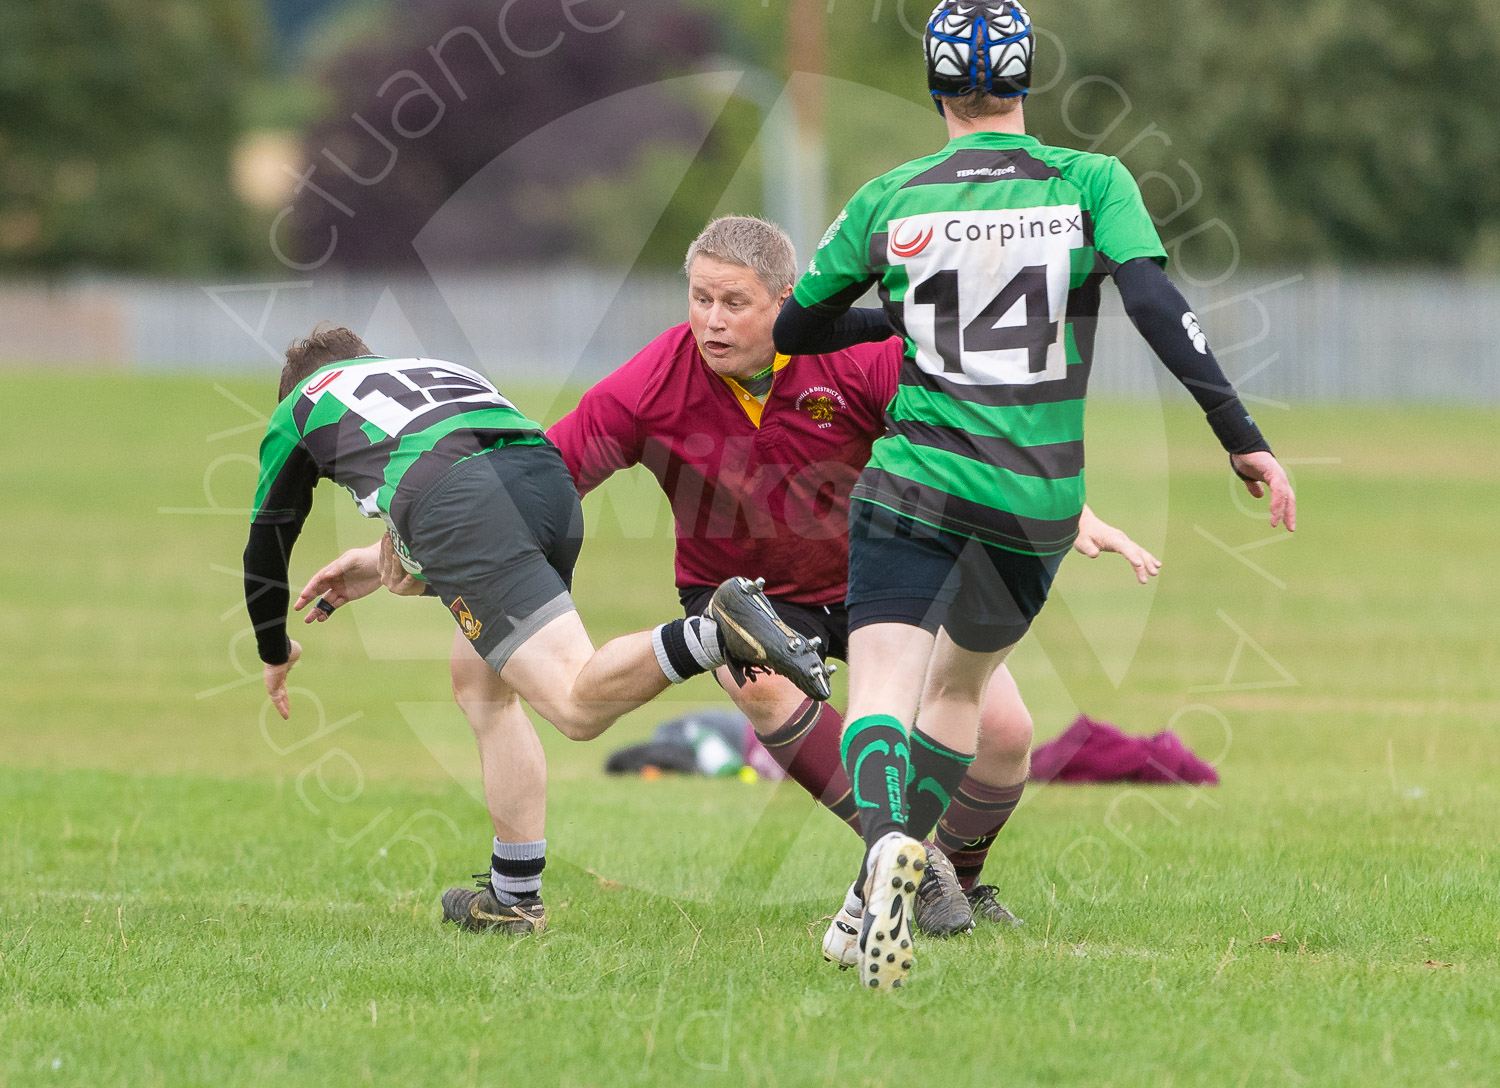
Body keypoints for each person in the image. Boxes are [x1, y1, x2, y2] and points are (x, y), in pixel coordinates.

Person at [301, 217, 1159, 943]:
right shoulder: (652, 382)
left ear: (785, 303)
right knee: (757, 689)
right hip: (746, 595)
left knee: (1006, 735)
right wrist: (395, 564)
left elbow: (973, 425)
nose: (712, 321)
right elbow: (541, 479)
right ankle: (910, 855)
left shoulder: (858, 360)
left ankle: (960, 881)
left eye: (735, 303)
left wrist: (1069, 510)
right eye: (700, 298)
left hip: (881, 573)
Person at [773, 0, 1297, 991]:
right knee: (962, 691)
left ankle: (881, 848)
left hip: (917, 480)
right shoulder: (1093, 181)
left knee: (883, 686)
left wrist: (894, 324)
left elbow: (797, 331)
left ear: (936, 89)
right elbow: (1155, 303)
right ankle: (862, 903)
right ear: (1025, 81)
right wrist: (1241, 439)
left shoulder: (891, 197)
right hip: (1038, 500)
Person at [243, 325, 831, 933]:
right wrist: (389, 555)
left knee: (575, 705)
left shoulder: (300, 405)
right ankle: (513, 896)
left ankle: (714, 632)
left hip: (462, 503)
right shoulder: (421, 367)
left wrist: (273, 647)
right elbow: (449, 457)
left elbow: (267, 539)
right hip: (547, 481)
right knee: (480, 684)